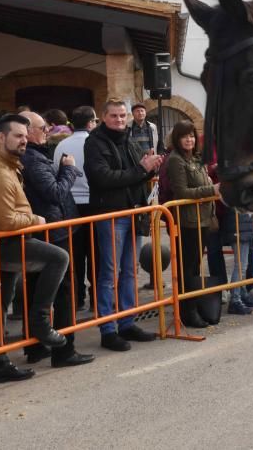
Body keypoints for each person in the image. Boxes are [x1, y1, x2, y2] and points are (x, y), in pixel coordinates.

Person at [0, 113, 69, 384]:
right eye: (18, 136)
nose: (24, 141)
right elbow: (7, 221)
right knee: (58, 258)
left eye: (26, 136)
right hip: (3, 242)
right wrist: (36, 219)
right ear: (1, 137)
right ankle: (39, 321)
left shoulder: (4, 163)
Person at [84, 99, 163, 351]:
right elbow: (102, 177)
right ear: (103, 118)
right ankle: (108, 329)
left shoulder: (128, 139)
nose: (119, 120)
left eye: (122, 116)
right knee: (110, 274)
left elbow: (138, 173)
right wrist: (141, 170)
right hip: (110, 215)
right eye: (114, 116)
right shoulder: (94, 142)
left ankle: (127, 322)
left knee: (129, 271)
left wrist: (151, 167)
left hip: (133, 213)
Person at [18, 111, 94, 368]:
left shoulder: (33, 155)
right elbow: (56, 193)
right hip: (54, 231)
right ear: (27, 132)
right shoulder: (33, 160)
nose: (47, 132)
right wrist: (69, 169)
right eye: (42, 128)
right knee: (63, 291)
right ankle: (64, 349)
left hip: (46, 229)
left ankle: (36, 346)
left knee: (38, 289)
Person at [165, 120, 222, 326]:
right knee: (187, 268)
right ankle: (187, 311)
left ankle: (192, 307)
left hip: (203, 218)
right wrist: (212, 190)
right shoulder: (175, 160)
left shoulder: (196, 159)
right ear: (177, 138)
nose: (189, 139)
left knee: (195, 267)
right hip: (189, 221)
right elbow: (182, 192)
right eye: (184, 136)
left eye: (191, 135)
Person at [53, 105, 99, 311]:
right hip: (93, 202)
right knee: (96, 253)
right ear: (90, 123)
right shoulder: (96, 142)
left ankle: (77, 297)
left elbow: (56, 172)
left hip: (70, 203)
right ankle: (96, 298)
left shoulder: (61, 144)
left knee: (75, 254)